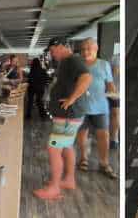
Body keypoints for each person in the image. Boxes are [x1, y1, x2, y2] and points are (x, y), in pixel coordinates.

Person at [34, 38, 92, 201]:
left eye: (52, 51)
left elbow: (86, 78)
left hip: (68, 115)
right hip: (69, 115)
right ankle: (68, 179)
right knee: (67, 147)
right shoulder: (68, 62)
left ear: (61, 47)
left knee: (54, 148)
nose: (52, 54)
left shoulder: (73, 60)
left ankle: (53, 188)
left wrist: (71, 99)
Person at [76, 38, 118, 179]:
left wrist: (114, 93)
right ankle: (83, 159)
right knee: (82, 135)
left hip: (100, 107)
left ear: (96, 48)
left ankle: (104, 163)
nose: (85, 52)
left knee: (104, 135)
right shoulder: (77, 65)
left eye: (88, 48)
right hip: (81, 107)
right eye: (82, 49)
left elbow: (110, 83)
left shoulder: (104, 65)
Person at [109, 52, 121, 150]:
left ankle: (115, 138)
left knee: (115, 114)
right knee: (116, 114)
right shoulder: (115, 58)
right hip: (115, 92)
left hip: (115, 91)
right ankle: (115, 138)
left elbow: (114, 72)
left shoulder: (116, 58)